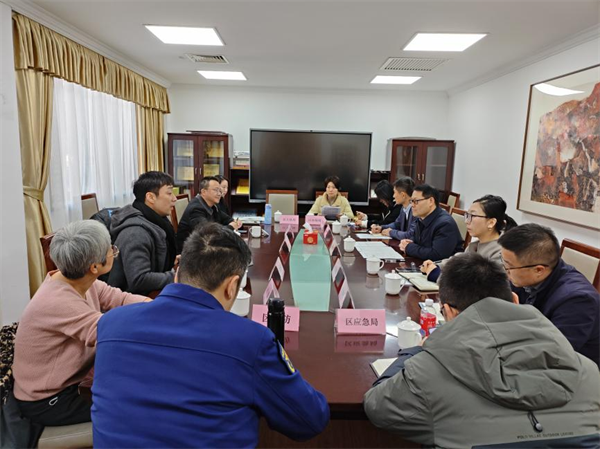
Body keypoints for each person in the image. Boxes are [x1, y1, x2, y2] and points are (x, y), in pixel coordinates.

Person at [92, 224, 330, 448]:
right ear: (232, 286)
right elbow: (310, 419)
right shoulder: (250, 341)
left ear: (177, 272)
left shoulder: (111, 324)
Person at [364, 253, 600, 448]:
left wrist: (414, 351)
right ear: (514, 300)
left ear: (449, 312)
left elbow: (377, 407)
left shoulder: (425, 373)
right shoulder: (588, 370)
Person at [12, 220, 148, 428]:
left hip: (70, 382)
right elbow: (110, 333)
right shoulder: (58, 301)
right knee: (136, 408)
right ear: (94, 267)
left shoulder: (78, 280)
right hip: (47, 401)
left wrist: (160, 307)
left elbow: (120, 299)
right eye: (111, 249)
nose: (113, 252)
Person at [499, 223, 600, 367]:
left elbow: (553, 355)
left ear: (539, 270)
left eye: (509, 266)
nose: (505, 270)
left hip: (573, 369)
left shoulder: (578, 300)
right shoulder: (525, 275)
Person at [107, 171, 178, 295]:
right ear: (150, 197)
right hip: (130, 300)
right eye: (169, 193)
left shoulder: (156, 221)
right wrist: (178, 277)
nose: (174, 198)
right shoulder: (135, 233)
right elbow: (139, 279)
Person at [421, 194, 517, 282]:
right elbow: (457, 261)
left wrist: (436, 274)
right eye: (467, 215)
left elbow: (477, 285)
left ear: (491, 222)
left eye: (473, 216)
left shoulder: (501, 252)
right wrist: (435, 265)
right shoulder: (475, 245)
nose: (467, 221)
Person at [176, 176, 241, 252]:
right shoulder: (196, 209)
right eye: (215, 190)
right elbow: (209, 234)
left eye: (220, 190)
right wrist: (231, 227)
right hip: (191, 252)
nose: (219, 193)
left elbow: (226, 218)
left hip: (206, 247)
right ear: (204, 192)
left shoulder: (213, 205)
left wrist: (234, 222)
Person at [398, 184, 463, 260]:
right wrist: (407, 243)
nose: (412, 205)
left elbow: (436, 255)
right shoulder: (421, 218)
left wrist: (409, 247)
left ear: (431, 201)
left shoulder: (445, 224)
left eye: (416, 201)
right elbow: (416, 240)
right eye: (411, 201)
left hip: (445, 266)